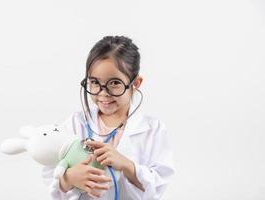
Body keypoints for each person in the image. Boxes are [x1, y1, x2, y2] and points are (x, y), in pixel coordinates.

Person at [42, 35, 175, 200]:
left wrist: (127, 165)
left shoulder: (152, 129)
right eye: (95, 82)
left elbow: (158, 184)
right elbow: (50, 171)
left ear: (135, 83)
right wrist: (68, 178)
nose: (103, 93)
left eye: (114, 83)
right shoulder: (76, 123)